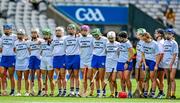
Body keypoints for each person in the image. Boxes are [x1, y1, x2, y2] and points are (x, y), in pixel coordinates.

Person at [141, 32, 160, 98]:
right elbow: (143, 54)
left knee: (152, 78)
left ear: (148, 37)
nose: (144, 41)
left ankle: (153, 93)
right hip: (146, 61)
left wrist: (156, 65)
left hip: (153, 61)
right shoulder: (143, 43)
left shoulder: (155, 44)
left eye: (145, 39)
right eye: (143, 40)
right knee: (146, 77)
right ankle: (145, 92)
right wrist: (145, 64)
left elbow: (158, 55)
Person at [64, 24, 80, 97]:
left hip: (76, 57)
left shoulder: (78, 37)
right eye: (69, 29)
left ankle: (77, 92)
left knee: (76, 75)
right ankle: (71, 92)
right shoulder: (66, 38)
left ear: (75, 30)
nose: (71, 30)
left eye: (72, 29)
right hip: (68, 57)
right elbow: (64, 49)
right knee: (71, 76)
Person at [91, 28, 108, 97]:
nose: (95, 37)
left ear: (99, 33)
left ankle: (103, 92)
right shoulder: (92, 39)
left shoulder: (105, 39)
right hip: (95, 58)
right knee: (96, 77)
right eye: (94, 35)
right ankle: (98, 92)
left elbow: (107, 49)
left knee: (102, 77)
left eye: (96, 35)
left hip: (102, 58)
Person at [0, 24, 16, 96]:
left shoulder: (14, 37)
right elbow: (0, 48)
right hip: (4, 57)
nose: (6, 30)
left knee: (11, 75)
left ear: (11, 29)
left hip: (11, 57)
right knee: (2, 74)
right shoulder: (2, 37)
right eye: (5, 29)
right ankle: (4, 90)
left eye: (8, 29)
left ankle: (12, 91)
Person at [116, 31, 134, 98]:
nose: (118, 39)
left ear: (123, 38)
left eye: (119, 38)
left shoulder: (128, 43)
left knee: (126, 78)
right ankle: (123, 92)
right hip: (120, 62)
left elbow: (132, 54)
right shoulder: (120, 43)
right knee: (122, 79)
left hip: (127, 62)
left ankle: (129, 92)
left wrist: (127, 62)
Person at [162, 29, 178, 99]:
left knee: (172, 78)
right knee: (168, 79)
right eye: (167, 33)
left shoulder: (174, 43)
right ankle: (168, 93)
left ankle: (173, 95)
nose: (167, 35)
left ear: (172, 35)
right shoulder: (164, 42)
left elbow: (175, 55)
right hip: (165, 62)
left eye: (169, 33)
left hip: (172, 62)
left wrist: (171, 65)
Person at [78, 25, 94, 97]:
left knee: (89, 77)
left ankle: (91, 92)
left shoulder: (92, 38)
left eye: (85, 30)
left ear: (88, 31)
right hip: (82, 60)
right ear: (80, 31)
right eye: (83, 30)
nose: (84, 32)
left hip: (90, 59)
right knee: (84, 77)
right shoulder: (79, 38)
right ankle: (84, 92)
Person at [14, 29, 30, 96]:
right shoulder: (15, 42)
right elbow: (14, 50)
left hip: (25, 61)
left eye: (21, 34)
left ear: (23, 35)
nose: (19, 35)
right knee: (19, 78)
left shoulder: (27, 42)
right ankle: (18, 92)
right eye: (18, 34)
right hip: (18, 61)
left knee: (26, 77)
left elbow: (30, 50)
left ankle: (27, 92)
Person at [52, 26, 66, 97]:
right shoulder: (53, 39)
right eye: (56, 30)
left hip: (62, 57)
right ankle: (60, 91)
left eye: (59, 30)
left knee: (63, 76)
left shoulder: (65, 38)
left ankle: (64, 91)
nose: (58, 31)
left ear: (63, 32)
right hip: (55, 58)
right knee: (58, 76)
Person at [40, 28, 55, 96]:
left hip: (50, 59)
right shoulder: (41, 42)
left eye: (47, 34)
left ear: (49, 35)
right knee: (44, 77)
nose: (45, 35)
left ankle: (52, 92)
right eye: (44, 34)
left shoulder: (53, 42)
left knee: (50, 78)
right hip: (43, 59)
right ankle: (45, 92)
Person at [28, 28, 42, 96]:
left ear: (37, 33)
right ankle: (32, 91)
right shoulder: (28, 42)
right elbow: (29, 50)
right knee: (32, 76)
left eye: (35, 32)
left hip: (38, 59)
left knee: (39, 76)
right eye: (32, 33)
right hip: (31, 59)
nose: (33, 34)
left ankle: (40, 91)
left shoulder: (41, 41)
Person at [105, 31, 118, 98]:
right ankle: (112, 93)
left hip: (115, 63)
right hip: (108, 63)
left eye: (112, 38)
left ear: (115, 37)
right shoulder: (106, 44)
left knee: (113, 79)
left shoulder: (118, 44)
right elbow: (105, 53)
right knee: (110, 79)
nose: (111, 39)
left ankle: (116, 91)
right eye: (109, 38)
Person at [133, 28, 146, 97]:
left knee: (142, 78)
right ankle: (140, 92)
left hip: (142, 62)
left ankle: (143, 92)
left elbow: (144, 54)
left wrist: (141, 62)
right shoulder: (139, 42)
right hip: (137, 62)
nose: (136, 34)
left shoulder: (144, 42)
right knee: (137, 78)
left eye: (137, 33)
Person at [154, 28, 165, 98]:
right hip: (157, 62)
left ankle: (161, 92)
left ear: (160, 34)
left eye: (156, 33)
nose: (155, 34)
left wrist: (157, 64)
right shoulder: (157, 42)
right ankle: (161, 91)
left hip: (161, 63)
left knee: (160, 79)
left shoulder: (161, 42)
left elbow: (161, 54)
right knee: (154, 78)